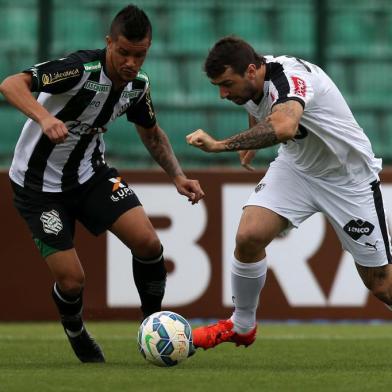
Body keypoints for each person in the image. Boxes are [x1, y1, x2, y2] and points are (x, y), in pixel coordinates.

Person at [0, 4, 204, 363]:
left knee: (148, 242)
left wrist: (178, 176)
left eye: (139, 55)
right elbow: (11, 84)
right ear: (109, 43)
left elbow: (152, 134)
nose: (131, 63)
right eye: (123, 52)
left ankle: (152, 325)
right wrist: (45, 117)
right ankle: (76, 329)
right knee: (72, 281)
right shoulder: (79, 70)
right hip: (38, 187)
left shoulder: (137, 86)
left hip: (90, 175)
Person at [187, 36, 392, 350]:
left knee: (381, 285)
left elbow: (283, 127)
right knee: (249, 235)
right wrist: (252, 144)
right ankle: (242, 325)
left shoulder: (291, 78)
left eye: (227, 84)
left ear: (252, 70)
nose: (222, 93)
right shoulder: (255, 78)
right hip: (296, 168)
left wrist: (222, 146)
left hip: (347, 179)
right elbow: (256, 104)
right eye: (218, 85)